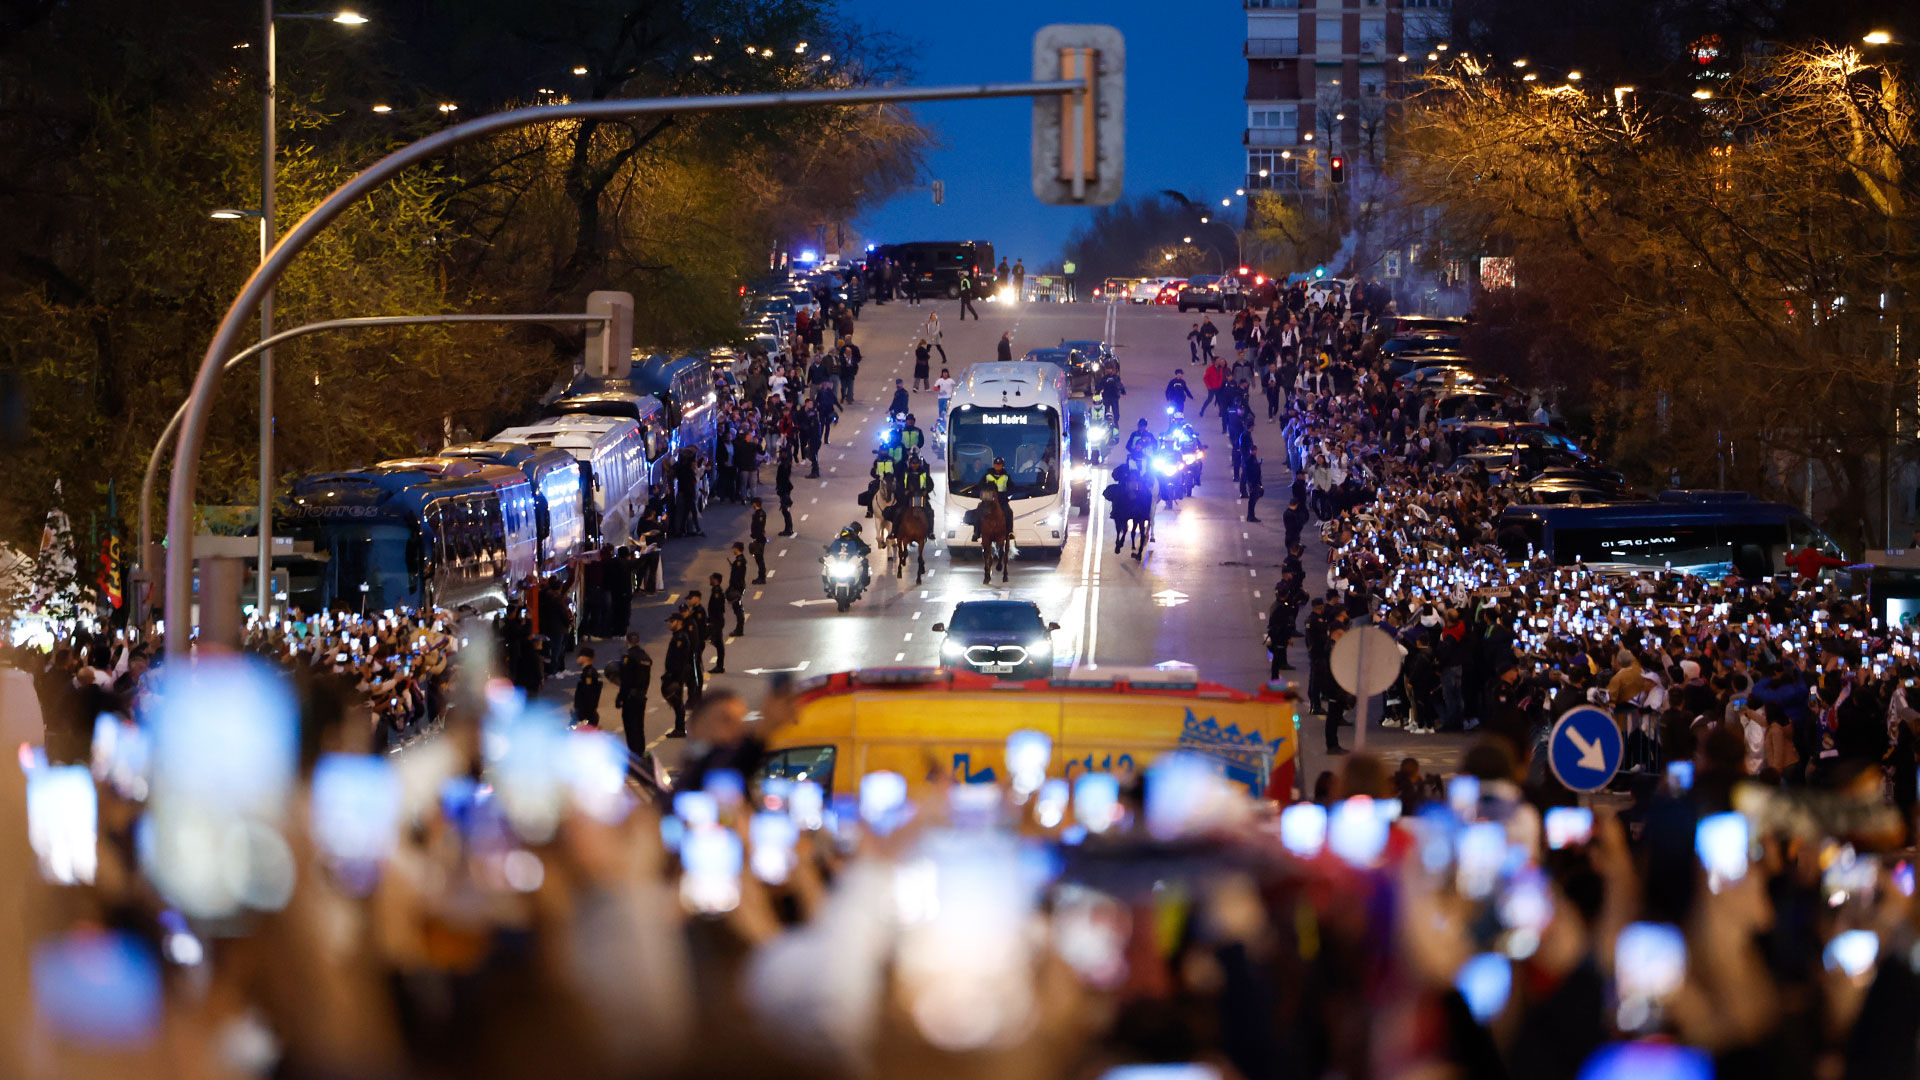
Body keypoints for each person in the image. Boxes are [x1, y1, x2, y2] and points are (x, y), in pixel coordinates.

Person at [612, 633, 652, 760]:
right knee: (639, 726)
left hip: (631, 697)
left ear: (626, 641)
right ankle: (640, 752)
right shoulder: (644, 656)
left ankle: (634, 755)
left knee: (630, 727)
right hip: (641, 695)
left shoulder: (628, 658)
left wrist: (620, 698)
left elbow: (626, 681)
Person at [572, 647, 603, 727]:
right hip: (586, 711)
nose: (577, 658)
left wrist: (582, 713)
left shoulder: (588, 674)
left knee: (576, 732)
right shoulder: (589, 672)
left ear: (585, 658)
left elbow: (588, 693)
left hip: (586, 712)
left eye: (579, 656)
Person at [705, 573, 729, 674]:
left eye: (711, 579)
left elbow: (717, 609)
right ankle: (719, 665)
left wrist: (713, 622)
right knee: (717, 643)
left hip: (717, 621)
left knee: (718, 644)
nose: (709, 580)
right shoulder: (715, 591)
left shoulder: (717, 593)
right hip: (716, 621)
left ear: (715, 580)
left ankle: (720, 666)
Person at [726, 543, 748, 636]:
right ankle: (739, 629)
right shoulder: (739, 560)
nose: (733, 550)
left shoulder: (739, 561)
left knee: (738, 609)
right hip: (738, 587)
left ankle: (739, 630)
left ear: (737, 549)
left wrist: (732, 587)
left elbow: (737, 576)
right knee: (737, 609)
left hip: (737, 588)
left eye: (734, 548)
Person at [748, 498, 769, 583]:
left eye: (753, 504)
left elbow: (759, 527)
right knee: (758, 558)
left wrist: (756, 537)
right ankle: (761, 576)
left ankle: (762, 577)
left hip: (759, 538)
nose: (752, 505)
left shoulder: (760, 514)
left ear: (755, 504)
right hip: (758, 538)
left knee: (759, 558)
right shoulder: (759, 513)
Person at [1243, 445, 1264, 522]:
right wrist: (1250, 483)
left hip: (1256, 482)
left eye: (1255, 450)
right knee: (1252, 500)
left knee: (1254, 499)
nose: (1254, 452)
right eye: (1253, 450)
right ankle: (1251, 516)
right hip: (1253, 482)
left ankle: (1251, 515)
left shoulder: (1254, 459)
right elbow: (1249, 473)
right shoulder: (1249, 460)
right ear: (1250, 451)